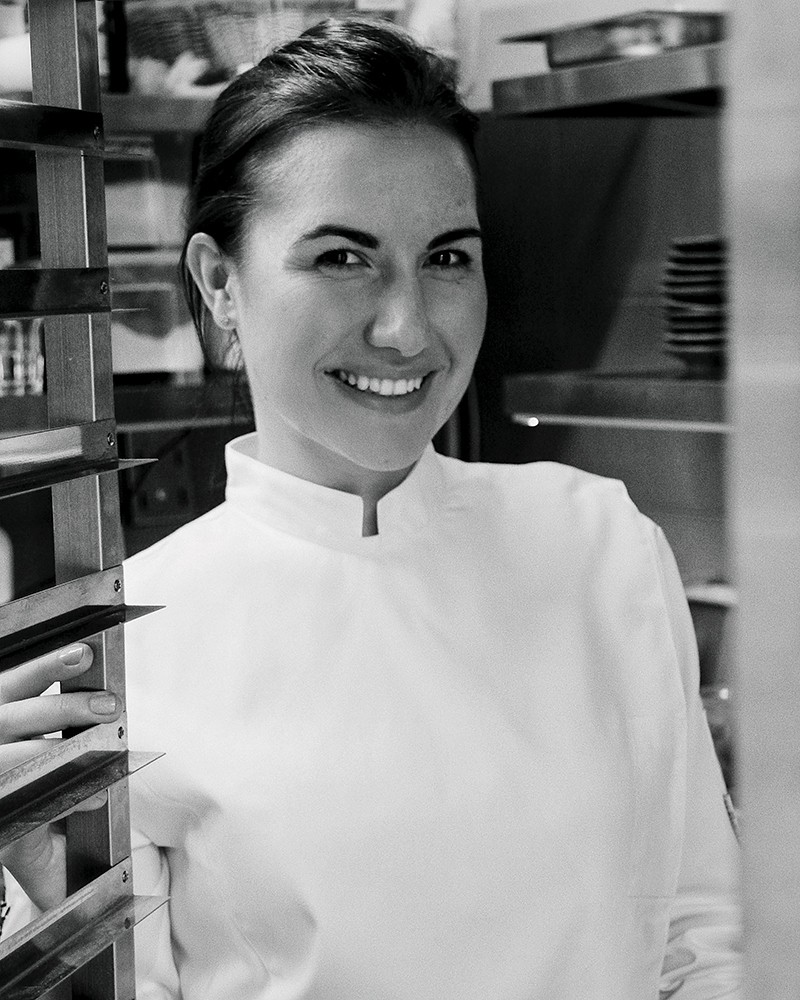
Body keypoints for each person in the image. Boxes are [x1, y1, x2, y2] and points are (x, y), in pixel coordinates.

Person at [0, 16, 741, 999]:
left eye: (447, 258)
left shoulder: (599, 539)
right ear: (220, 283)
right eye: (341, 258)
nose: (406, 328)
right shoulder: (134, 639)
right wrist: (61, 911)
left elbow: (702, 932)